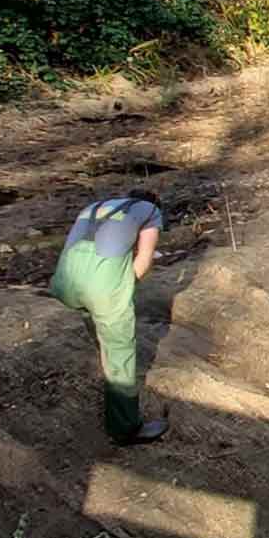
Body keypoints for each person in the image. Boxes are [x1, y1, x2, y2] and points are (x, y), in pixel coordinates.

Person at [51, 188, 167, 444]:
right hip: (101, 289)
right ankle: (125, 429)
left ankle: (102, 346)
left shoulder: (96, 206)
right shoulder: (151, 211)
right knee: (119, 352)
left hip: (63, 282)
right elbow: (145, 259)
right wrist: (123, 288)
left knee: (94, 316)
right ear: (154, 204)